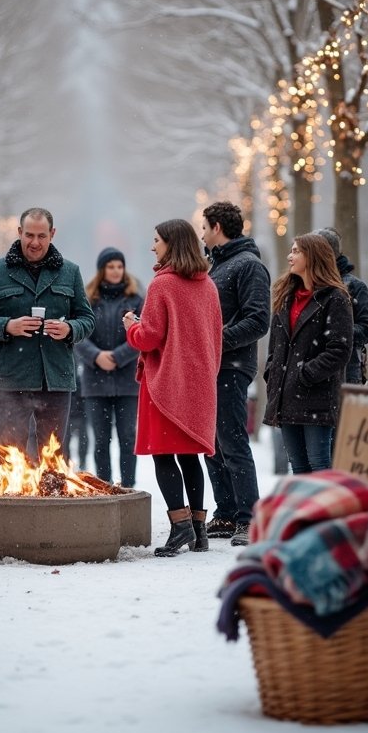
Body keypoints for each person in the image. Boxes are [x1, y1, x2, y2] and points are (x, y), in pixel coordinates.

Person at [123, 219, 222, 557]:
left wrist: (131, 327)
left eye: (156, 241)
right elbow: (215, 339)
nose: (153, 247)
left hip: (165, 383)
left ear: (171, 243)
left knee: (163, 455)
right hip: (198, 385)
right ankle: (198, 529)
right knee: (189, 456)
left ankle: (179, 527)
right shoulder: (207, 285)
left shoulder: (161, 285)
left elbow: (150, 337)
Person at [0, 207, 95, 459]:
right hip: (12, 378)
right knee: (11, 456)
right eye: (29, 235)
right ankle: (13, 499)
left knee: (53, 457)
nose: (34, 242)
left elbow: (88, 319)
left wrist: (70, 329)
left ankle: (50, 497)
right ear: (19, 232)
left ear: (52, 234)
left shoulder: (70, 272)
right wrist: (7, 326)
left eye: (41, 236)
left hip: (56, 378)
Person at [200, 201, 270, 547]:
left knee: (232, 441)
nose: (200, 233)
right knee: (212, 444)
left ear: (216, 227)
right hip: (211, 367)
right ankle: (226, 513)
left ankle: (249, 517)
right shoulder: (217, 265)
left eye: (203, 226)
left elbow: (258, 320)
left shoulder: (249, 266)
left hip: (232, 366)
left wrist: (216, 340)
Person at [263, 233, 354, 474]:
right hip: (286, 396)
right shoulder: (285, 296)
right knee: (299, 467)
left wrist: (305, 374)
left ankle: (324, 512)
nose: (289, 256)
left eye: (296, 251)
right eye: (291, 250)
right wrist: (272, 373)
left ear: (312, 257)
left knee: (319, 465)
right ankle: (306, 512)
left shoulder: (335, 297)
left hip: (317, 397)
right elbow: (275, 346)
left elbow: (340, 349)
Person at [77, 247, 143, 487]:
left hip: (127, 382)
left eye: (119, 266)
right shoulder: (88, 299)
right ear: (102, 269)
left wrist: (117, 356)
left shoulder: (136, 299)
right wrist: (96, 356)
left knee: (128, 438)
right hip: (95, 382)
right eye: (111, 266)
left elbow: (144, 333)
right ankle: (104, 486)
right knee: (101, 439)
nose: (116, 271)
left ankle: (128, 487)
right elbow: (78, 334)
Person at [317, 227, 368, 384]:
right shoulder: (309, 286)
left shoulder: (356, 287)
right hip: (314, 375)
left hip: (346, 374)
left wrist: (337, 333)